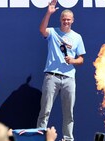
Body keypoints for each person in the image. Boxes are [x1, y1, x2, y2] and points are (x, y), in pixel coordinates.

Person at [36, 0, 86, 141]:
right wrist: (48, 12)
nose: (66, 22)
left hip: (69, 78)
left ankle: (68, 139)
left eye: (68, 20)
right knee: (45, 111)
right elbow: (41, 30)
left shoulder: (77, 37)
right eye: (64, 19)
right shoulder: (52, 32)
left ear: (73, 21)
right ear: (60, 20)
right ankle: (40, 137)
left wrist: (73, 60)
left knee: (68, 113)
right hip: (51, 77)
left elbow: (81, 59)